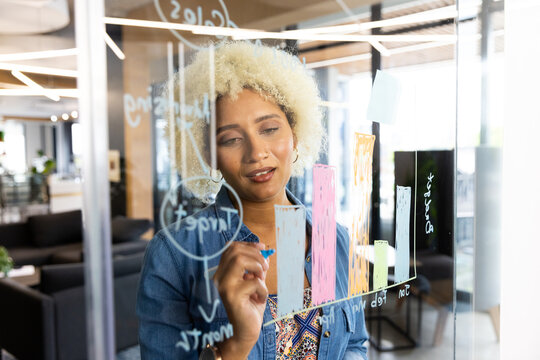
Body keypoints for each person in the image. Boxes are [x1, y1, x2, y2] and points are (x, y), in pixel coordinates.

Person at [137, 41, 369, 359]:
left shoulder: (330, 238)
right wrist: (237, 344)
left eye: (270, 128)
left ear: (296, 133)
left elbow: (354, 343)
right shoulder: (177, 255)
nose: (257, 153)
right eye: (231, 139)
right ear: (208, 156)